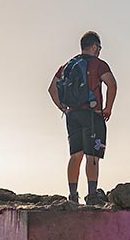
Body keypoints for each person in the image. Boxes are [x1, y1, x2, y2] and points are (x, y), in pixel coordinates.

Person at [48, 31, 118, 205]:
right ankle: (92, 195)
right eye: (99, 48)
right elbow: (112, 84)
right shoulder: (98, 65)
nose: (99, 51)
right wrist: (108, 108)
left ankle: (72, 195)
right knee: (92, 155)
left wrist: (62, 107)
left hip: (72, 115)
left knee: (75, 154)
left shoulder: (67, 65)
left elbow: (52, 88)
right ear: (94, 46)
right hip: (92, 114)